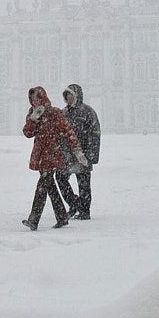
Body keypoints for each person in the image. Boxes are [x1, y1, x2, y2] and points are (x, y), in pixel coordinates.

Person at [22, 86, 85, 230]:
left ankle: (33, 220)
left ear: (43, 98)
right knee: (50, 186)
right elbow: (27, 133)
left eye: (37, 99)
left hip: (52, 154)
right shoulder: (32, 113)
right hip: (39, 155)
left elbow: (67, 131)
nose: (35, 102)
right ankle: (62, 216)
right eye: (32, 99)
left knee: (42, 187)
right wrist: (33, 119)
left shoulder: (54, 112)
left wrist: (77, 150)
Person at [61, 84, 101, 219]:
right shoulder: (64, 112)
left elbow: (95, 133)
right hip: (68, 155)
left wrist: (90, 155)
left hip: (83, 154)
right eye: (67, 97)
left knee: (83, 184)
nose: (69, 99)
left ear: (77, 96)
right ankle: (75, 204)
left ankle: (85, 212)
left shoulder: (88, 112)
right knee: (60, 178)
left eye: (71, 96)